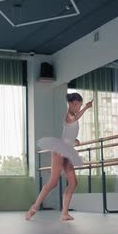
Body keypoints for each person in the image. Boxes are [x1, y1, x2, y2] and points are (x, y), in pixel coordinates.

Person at [26, 93, 93, 221]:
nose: (79, 108)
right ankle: (34, 208)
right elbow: (75, 118)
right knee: (53, 182)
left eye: (80, 106)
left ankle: (64, 213)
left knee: (73, 182)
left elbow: (69, 135)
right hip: (59, 151)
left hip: (67, 150)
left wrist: (75, 141)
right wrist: (87, 108)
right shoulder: (70, 115)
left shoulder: (73, 116)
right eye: (78, 105)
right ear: (73, 104)